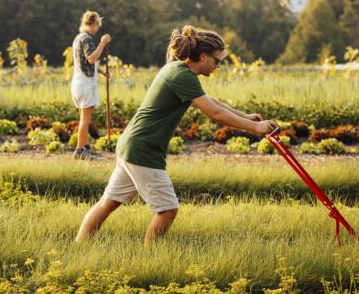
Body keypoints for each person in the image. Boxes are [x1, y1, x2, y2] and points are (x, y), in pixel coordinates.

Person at [75, 25, 278, 245]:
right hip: (143, 150)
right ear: (202, 56)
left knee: (109, 202)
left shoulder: (178, 70)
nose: (218, 65)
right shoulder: (182, 76)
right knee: (168, 211)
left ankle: (79, 246)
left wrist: (246, 117)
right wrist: (255, 128)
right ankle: (150, 259)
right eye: (216, 60)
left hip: (131, 145)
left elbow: (211, 102)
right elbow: (214, 112)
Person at [70, 11, 112, 160]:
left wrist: (101, 72)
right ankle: (80, 151)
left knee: (84, 117)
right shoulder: (87, 39)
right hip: (85, 84)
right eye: (97, 26)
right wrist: (103, 43)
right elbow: (91, 58)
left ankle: (85, 146)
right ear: (93, 24)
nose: (97, 29)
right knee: (85, 119)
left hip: (78, 82)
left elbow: (83, 61)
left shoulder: (77, 39)